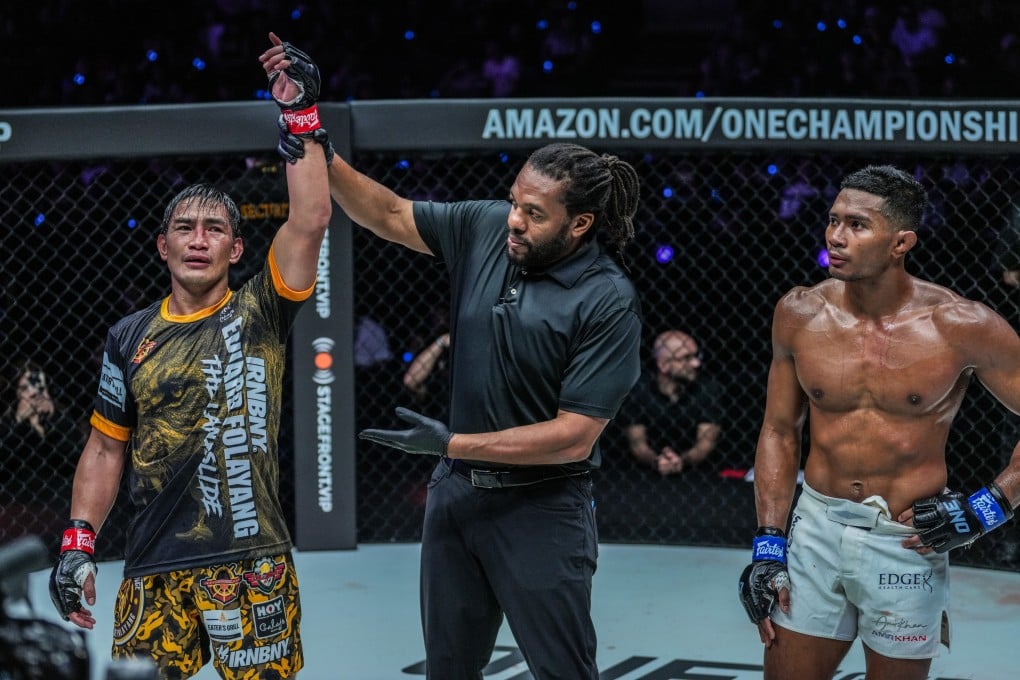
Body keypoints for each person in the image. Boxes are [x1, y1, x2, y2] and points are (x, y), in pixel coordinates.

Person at [263, 36, 644, 680]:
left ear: (579, 225)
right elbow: (386, 212)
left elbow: (575, 437)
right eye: (515, 201)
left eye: (534, 213)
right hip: (456, 502)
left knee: (563, 672)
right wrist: (308, 125)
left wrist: (453, 444)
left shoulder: (606, 298)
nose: (515, 220)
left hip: (542, 509)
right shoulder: (487, 228)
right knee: (448, 669)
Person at [47, 32, 331, 679]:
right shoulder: (128, 336)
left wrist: (301, 116)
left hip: (252, 560)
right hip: (154, 563)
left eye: (214, 229)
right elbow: (105, 446)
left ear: (236, 249)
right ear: (162, 246)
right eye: (185, 227)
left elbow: (311, 217)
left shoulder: (261, 307)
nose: (198, 240)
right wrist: (78, 543)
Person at [738, 164, 1020, 680]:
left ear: (901, 242)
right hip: (816, 530)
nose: (836, 237)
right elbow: (779, 430)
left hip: (906, 539)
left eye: (858, 225)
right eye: (833, 220)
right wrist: (768, 541)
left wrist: (990, 505)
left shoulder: (960, 325)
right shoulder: (799, 312)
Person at [0, 360, 84, 547]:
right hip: (15, 505)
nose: (34, 393)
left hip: (57, 503)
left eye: (39, 385)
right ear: (14, 393)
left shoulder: (59, 418)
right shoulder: (6, 424)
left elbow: (74, 460)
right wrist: (20, 424)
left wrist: (50, 425)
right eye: (25, 388)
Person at [617, 330, 724, 475]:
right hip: (642, 475)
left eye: (697, 356)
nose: (696, 363)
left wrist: (681, 461)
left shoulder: (708, 388)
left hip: (700, 475)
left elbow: (705, 445)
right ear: (663, 365)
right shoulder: (639, 389)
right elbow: (638, 445)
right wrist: (657, 461)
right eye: (686, 358)